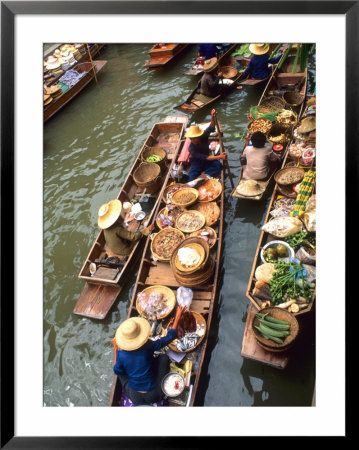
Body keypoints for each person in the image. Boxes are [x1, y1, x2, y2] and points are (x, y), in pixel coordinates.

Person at [113, 307, 182, 405]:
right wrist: (178, 315)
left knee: (120, 371)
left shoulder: (121, 354)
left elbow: (116, 371)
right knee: (163, 357)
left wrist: (115, 349)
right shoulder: (147, 345)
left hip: (134, 397)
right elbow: (168, 338)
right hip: (155, 394)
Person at [185, 109, 227, 181]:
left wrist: (212, 116)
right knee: (190, 179)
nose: (193, 140)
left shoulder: (203, 136)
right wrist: (220, 156)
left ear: (198, 136)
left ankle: (204, 176)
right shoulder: (191, 148)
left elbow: (211, 126)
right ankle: (203, 176)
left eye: (194, 138)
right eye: (191, 138)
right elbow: (207, 157)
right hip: (197, 164)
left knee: (218, 166)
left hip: (207, 162)